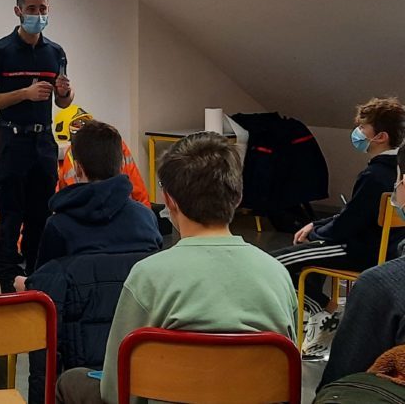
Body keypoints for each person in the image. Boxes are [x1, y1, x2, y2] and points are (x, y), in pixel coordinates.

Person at [56, 133, 297, 404]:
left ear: (169, 200)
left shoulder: (148, 275)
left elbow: (115, 390)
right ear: (238, 197)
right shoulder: (277, 273)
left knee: (71, 381)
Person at [15, 120, 161, 404]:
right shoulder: (146, 219)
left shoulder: (58, 226)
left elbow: (44, 294)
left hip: (79, 362)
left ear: (78, 168)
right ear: (122, 165)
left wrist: (24, 284)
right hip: (142, 363)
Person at [271, 97, 405, 356]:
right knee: (308, 252)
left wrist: (315, 231)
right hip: (384, 250)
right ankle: (324, 314)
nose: (358, 132)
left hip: (358, 250)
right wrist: (317, 224)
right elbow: (352, 214)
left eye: (363, 127)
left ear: (380, 136)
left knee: (277, 264)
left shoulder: (374, 176)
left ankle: (326, 310)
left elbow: (345, 227)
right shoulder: (396, 171)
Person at [0, 0, 72, 292]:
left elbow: (64, 102)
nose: (38, 15)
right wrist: (24, 94)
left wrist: (65, 92)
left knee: (40, 218)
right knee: (9, 219)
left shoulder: (55, 52)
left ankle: (36, 283)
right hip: (12, 143)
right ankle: (7, 285)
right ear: (18, 11)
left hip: (43, 145)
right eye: (31, 9)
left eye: (43, 9)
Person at [317, 143, 405, 390]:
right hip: (378, 248)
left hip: (357, 249)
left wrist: (315, 231)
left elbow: (341, 385)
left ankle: (322, 313)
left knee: (285, 260)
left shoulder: (380, 286)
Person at [54, 106, 150, 207]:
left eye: (84, 122)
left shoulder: (117, 144)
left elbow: (138, 188)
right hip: (121, 210)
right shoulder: (63, 158)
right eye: (77, 124)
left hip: (107, 211)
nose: (82, 126)